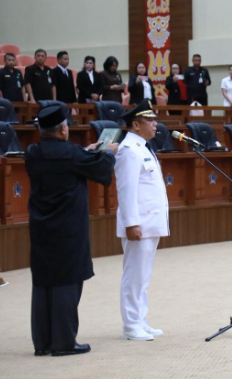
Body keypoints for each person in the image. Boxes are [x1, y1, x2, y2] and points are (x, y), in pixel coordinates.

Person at [25, 103, 117, 356]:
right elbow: (100, 168)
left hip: (41, 227)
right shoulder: (72, 155)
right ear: (64, 129)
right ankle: (64, 343)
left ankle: (42, 343)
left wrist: (85, 152)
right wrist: (107, 152)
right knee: (67, 281)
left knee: (43, 283)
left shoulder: (32, 152)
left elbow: (67, 159)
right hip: (68, 229)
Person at [116, 99, 170, 341]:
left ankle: (140, 319)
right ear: (136, 125)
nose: (155, 123)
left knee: (143, 276)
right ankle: (130, 325)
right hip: (139, 224)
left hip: (150, 222)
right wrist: (130, 223)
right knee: (134, 276)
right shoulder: (128, 150)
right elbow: (126, 190)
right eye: (150, 120)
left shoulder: (144, 147)